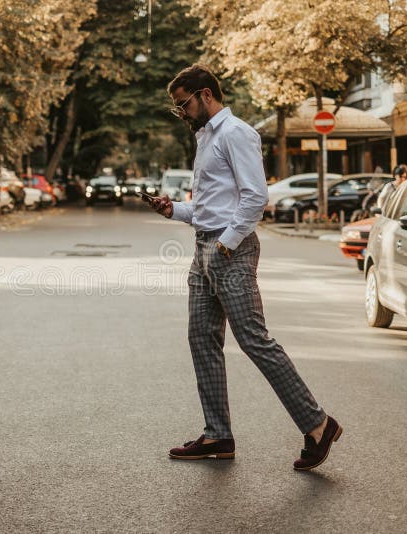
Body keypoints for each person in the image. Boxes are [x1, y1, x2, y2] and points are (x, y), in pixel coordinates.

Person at [145, 65, 341, 470]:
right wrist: (175, 210)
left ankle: (319, 424)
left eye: (183, 103)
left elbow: (256, 198)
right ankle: (218, 434)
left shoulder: (236, 133)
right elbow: (211, 205)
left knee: (254, 340)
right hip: (205, 248)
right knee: (201, 338)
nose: (181, 112)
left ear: (205, 94)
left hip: (229, 251)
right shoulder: (206, 137)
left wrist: (224, 245)